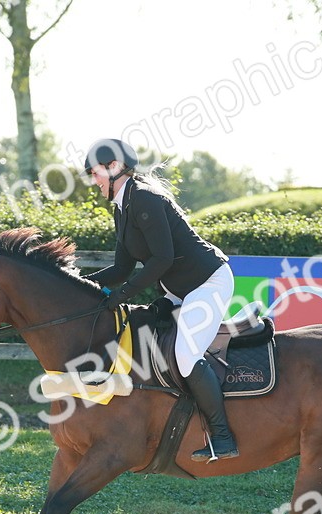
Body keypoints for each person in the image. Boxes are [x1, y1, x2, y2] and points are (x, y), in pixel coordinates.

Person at [84, 138, 239, 461]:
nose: (92, 181)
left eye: (94, 173)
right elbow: (122, 269)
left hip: (208, 282)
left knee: (185, 354)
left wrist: (123, 296)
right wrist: (79, 286)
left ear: (114, 168)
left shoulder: (145, 199)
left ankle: (223, 436)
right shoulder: (123, 207)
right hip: (179, 290)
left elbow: (162, 260)